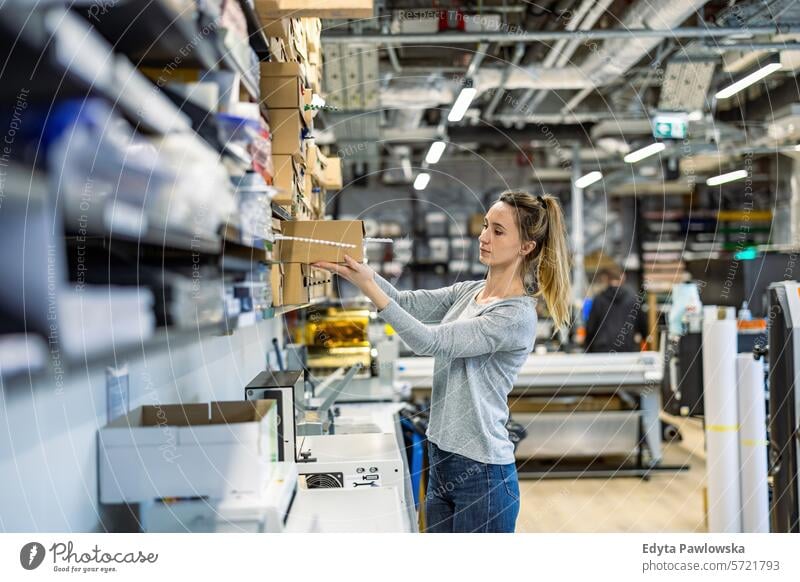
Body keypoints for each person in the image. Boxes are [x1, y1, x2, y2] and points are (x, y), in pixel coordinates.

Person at [314, 191, 572, 533]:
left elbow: (429, 342)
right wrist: (358, 274)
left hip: (483, 475)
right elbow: (406, 302)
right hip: (441, 458)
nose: (483, 237)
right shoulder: (470, 292)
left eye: (498, 231)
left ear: (527, 247)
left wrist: (368, 287)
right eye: (484, 227)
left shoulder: (514, 315)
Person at [584, 265, 648, 353]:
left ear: (606, 279)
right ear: (622, 277)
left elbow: (591, 328)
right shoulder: (633, 300)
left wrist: (588, 349)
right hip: (627, 350)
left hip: (602, 351)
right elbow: (643, 327)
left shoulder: (598, 300)